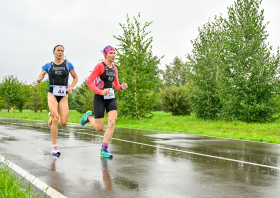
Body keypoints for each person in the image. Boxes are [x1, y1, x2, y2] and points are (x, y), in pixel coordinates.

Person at [80, 45, 128, 158]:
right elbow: (89, 82)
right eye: (111, 53)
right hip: (100, 98)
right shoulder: (100, 66)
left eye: (114, 53)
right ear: (106, 54)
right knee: (99, 128)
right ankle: (88, 117)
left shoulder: (114, 68)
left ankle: (104, 149)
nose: (113, 55)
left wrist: (122, 87)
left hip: (111, 98)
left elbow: (116, 85)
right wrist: (100, 92)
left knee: (111, 123)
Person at [36, 45, 78, 156]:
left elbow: (75, 77)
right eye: (58, 50)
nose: (60, 52)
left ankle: (51, 117)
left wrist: (70, 87)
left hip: (63, 95)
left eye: (62, 51)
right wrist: (39, 79)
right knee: (56, 119)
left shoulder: (68, 65)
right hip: (52, 94)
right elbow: (39, 78)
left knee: (63, 122)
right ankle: (54, 147)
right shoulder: (48, 66)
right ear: (53, 52)